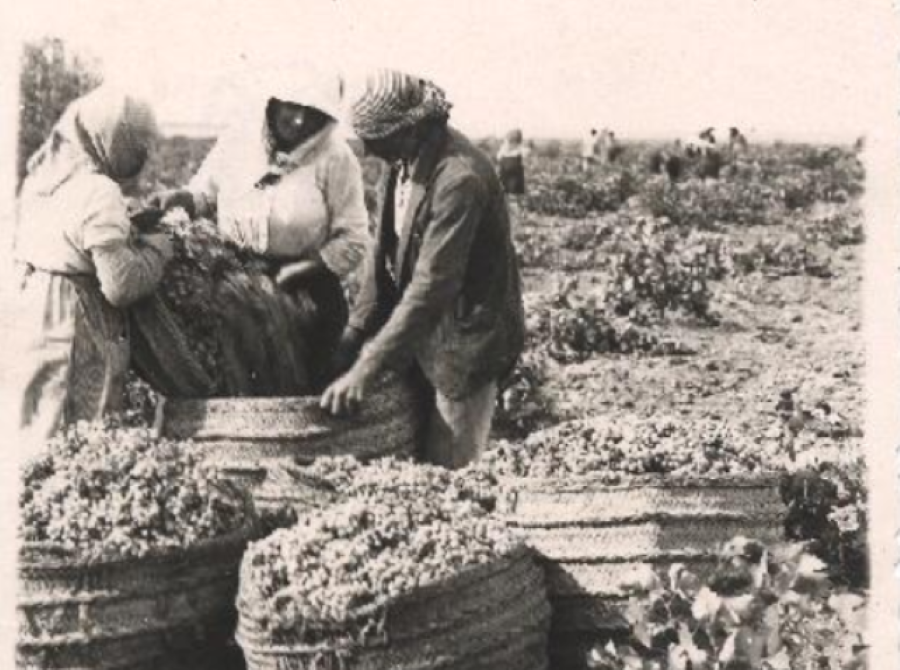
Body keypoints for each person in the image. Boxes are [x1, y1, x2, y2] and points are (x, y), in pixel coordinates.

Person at [321, 69, 526, 469]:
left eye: (376, 141)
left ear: (410, 129)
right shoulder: (401, 160)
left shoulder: (459, 179)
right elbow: (380, 257)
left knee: (451, 466)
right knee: (415, 453)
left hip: (464, 339)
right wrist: (354, 333)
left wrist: (367, 366)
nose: (370, 152)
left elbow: (432, 286)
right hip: (422, 333)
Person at [150, 65, 369, 390]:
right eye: (292, 107)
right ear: (274, 103)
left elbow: (353, 237)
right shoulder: (238, 141)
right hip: (234, 282)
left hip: (308, 290)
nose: (299, 121)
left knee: (302, 395)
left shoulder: (337, 158)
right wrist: (180, 200)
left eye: (312, 113)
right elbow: (204, 194)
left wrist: (305, 268)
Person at [13, 85, 173, 443]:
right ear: (111, 137)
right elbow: (121, 285)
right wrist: (158, 250)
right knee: (78, 430)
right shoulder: (100, 190)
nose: (143, 152)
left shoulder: (43, 180)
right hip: (74, 319)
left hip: (34, 311)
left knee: (37, 425)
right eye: (136, 140)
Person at [495, 128, 529, 203]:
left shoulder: (520, 150)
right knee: (506, 195)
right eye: (509, 141)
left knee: (514, 195)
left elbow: (525, 154)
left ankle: (516, 207)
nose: (510, 144)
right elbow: (498, 159)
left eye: (513, 141)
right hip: (505, 175)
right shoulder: (504, 149)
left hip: (515, 176)